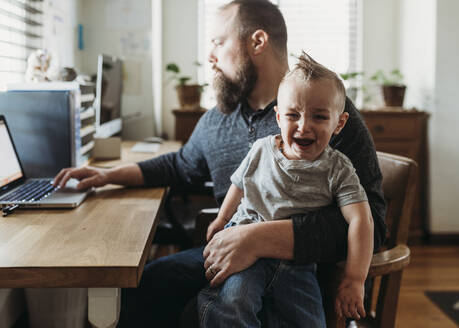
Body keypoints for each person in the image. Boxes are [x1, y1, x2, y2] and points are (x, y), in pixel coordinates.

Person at [54, 0, 386, 326]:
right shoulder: (218, 120)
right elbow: (180, 165)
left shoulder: (321, 119)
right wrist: (106, 175)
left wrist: (259, 238)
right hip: (233, 255)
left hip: (306, 273)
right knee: (145, 286)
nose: (210, 56)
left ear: (257, 41)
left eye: (218, 42)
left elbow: (373, 222)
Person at [197, 52, 374, 327]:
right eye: (293, 115)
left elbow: (361, 219)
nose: (304, 126)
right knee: (233, 303)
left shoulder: (339, 168)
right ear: (279, 117)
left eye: (319, 116)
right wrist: (221, 219)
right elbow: (238, 185)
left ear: (339, 123)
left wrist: (355, 278)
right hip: (244, 248)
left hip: (297, 262)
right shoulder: (261, 150)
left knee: (311, 322)